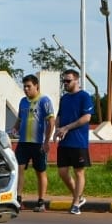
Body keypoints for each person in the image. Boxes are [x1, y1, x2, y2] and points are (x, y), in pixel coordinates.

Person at [12, 74, 55, 212]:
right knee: (19, 170)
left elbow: (51, 122)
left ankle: (41, 201)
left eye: (28, 86)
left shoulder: (44, 100)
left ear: (36, 86)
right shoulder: (23, 102)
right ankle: (18, 199)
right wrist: (14, 128)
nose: (26, 89)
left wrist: (47, 141)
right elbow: (20, 119)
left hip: (39, 143)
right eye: (24, 86)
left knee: (40, 171)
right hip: (23, 142)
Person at [54, 68, 94, 215]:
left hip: (78, 141)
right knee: (62, 172)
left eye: (68, 80)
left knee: (79, 172)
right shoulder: (64, 98)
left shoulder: (84, 96)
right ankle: (79, 196)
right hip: (64, 142)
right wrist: (57, 129)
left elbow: (87, 118)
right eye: (64, 81)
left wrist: (67, 128)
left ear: (77, 81)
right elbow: (59, 116)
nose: (65, 83)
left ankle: (76, 203)